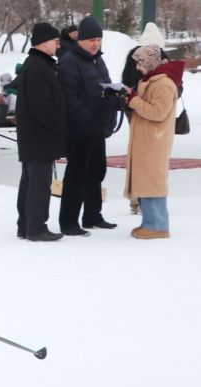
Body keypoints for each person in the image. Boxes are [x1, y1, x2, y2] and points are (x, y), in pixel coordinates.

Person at [57, 16, 119, 236]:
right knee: (77, 175)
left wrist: (115, 98)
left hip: (97, 128)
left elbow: (105, 87)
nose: (95, 44)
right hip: (79, 130)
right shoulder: (69, 60)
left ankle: (93, 215)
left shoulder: (98, 60)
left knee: (96, 172)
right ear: (80, 40)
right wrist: (85, 117)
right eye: (91, 39)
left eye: (98, 39)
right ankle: (69, 222)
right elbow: (69, 96)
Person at [124, 45, 183, 239]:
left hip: (154, 141)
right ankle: (149, 222)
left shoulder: (163, 84)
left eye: (140, 63)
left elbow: (158, 113)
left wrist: (132, 100)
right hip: (148, 140)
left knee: (152, 182)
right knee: (146, 181)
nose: (137, 68)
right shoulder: (153, 80)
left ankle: (157, 225)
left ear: (150, 62)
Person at [15, 23, 67, 242]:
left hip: (34, 136)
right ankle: (36, 227)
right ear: (45, 42)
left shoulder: (37, 64)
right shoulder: (37, 66)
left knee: (30, 181)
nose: (58, 45)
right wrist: (58, 124)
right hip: (39, 136)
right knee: (38, 183)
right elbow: (40, 105)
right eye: (55, 41)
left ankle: (26, 225)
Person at [121, 22, 169, 215]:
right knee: (153, 158)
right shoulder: (161, 57)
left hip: (136, 108)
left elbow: (126, 78)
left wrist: (131, 99)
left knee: (141, 155)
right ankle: (146, 199)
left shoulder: (134, 54)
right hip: (142, 108)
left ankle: (140, 199)